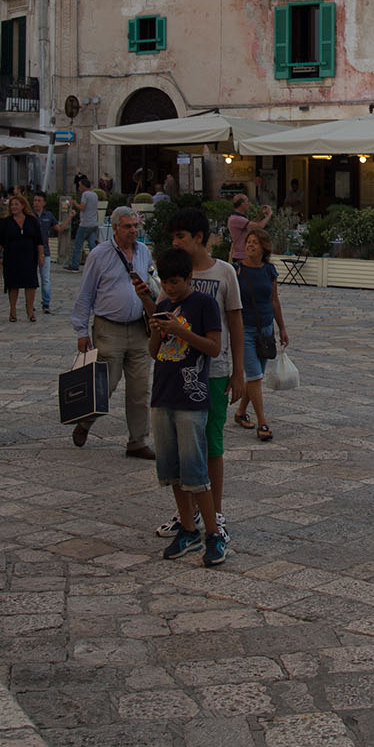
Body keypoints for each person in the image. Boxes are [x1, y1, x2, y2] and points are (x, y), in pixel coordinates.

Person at [146, 247, 225, 566]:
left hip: (191, 397)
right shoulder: (164, 304)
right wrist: (158, 330)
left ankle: (213, 534)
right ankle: (187, 528)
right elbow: (155, 352)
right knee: (173, 470)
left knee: (195, 468)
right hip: (163, 393)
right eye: (165, 281)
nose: (170, 287)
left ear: (189, 278)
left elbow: (214, 348)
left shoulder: (204, 305)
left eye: (176, 281)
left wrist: (181, 331)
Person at [169, 208, 242, 551]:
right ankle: (190, 515)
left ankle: (216, 512)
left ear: (199, 238)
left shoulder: (224, 272)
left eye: (181, 236)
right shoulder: (175, 273)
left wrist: (238, 370)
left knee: (211, 443)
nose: (176, 243)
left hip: (213, 371)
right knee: (184, 446)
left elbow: (236, 323)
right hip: (179, 371)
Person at [71, 205, 157, 455]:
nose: (133, 231)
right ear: (115, 228)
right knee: (106, 384)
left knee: (140, 388)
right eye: (127, 226)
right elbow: (86, 292)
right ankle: (86, 422)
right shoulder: (100, 255)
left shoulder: (143, 252)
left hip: (139, 328)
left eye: (135, 226)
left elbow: (151, 282)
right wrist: (81, 330)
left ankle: (138, 441)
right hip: (110, 328)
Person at [231, 226, 287, 442]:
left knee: (256, 377)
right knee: (255, 375)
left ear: (264, 247)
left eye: (255, 242)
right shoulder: (236, 271)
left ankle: (240, 412)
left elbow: (274, 300)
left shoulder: (269, 270)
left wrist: (281, 327)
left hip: (265, 329)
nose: (250, 245)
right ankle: (262, 421)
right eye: (248, 242)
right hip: (244, 329)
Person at [1, 192, 46, 323]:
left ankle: (30, 310)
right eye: (12, 205)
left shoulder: (32, 221)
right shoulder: (6, 222)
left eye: (16, 204)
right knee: (13, 284)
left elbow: (39, 240)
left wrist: (41, 255)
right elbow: (0, 241)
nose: (14, 207)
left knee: (30, 284)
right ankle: (13, 311)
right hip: (11, 256)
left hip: (29, 256)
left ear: (22, 206)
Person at [73, 176, 103, 270]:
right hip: (94, 223)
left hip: (85, 223)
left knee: (78, 244)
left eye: (80, 185)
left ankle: (75, 264)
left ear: (83, 186)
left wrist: (74, 203)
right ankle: (98, 265)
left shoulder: (85, 194)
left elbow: (82, 207)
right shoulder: (95, 195)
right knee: (92, 245)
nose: (79, 187)